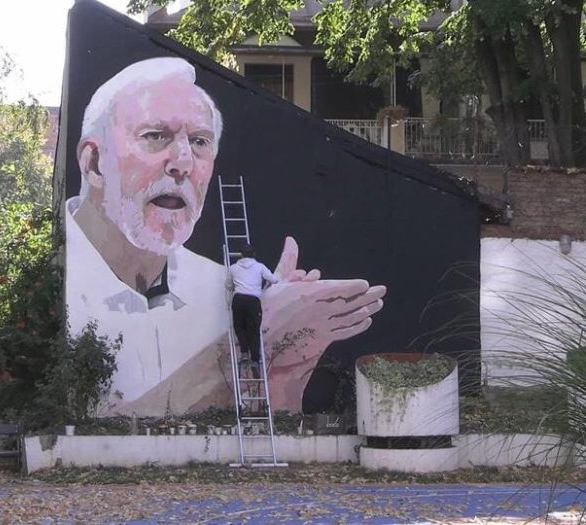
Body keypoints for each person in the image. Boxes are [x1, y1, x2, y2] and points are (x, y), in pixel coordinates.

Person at [66, 56, 387, 416]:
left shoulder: (217, 284)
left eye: (200, 141)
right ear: (94, 163)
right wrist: (250, 341)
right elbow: (104, 431)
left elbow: (263, 425)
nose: (183, 163)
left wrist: (286, 361)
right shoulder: (43, 283)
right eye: (155, 136)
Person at [228, 244, 279, 374]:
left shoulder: (233, 268)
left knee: (239, 327)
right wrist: (265, 286)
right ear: (254, 254)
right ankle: (255, 360)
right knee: (254, 331)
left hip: (238, 299)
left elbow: (228, 285)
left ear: (241, 255)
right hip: (253, 301)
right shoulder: (259, 267)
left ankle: (244, 352)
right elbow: (274, 280)